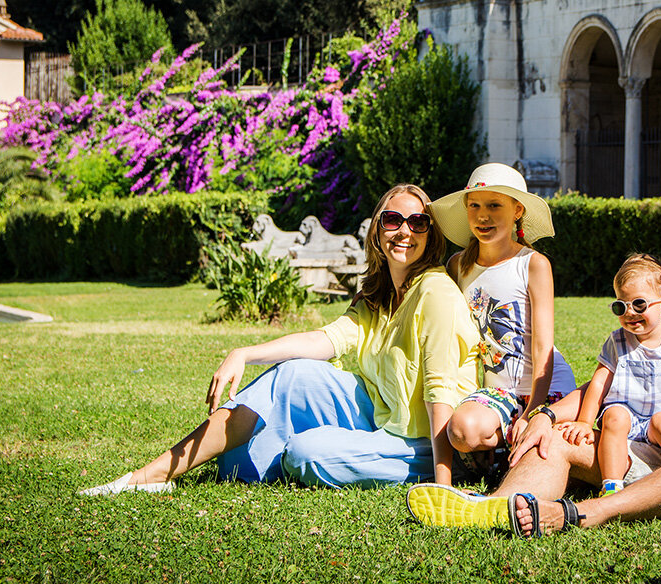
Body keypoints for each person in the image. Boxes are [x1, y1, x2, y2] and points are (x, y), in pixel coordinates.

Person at [405, 169, 661, 536]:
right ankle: (496, 506)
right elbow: (621, 376)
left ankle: (584, 513)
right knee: (555, 439)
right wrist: (549, 416)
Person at [79, 183, 480, 495]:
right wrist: (244, 352)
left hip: (429, 439)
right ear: (378, 229)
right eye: (393, 220)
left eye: (418, 222)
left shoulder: (436, 292)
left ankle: (368, 457)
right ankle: (152, 475)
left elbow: (439, 389)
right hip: (382, 411)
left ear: (431, 233)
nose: (405, 231)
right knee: (254, 438)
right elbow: (324, 340)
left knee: (305, 455)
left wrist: (444, 482)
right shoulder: (377, 299)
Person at [430, 163, 577, 479]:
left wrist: (535, 411)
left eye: (495, 205)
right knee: (462, 431)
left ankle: (510, 452)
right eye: (475, 206)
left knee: (546, 448)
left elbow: (542, 345)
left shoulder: (533, 264)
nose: (483, 215)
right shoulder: (458, 265)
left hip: (544, 387)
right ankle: (510, 450)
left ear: (517, 210)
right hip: (498, 392)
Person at [557, 253, 661, 496]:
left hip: (659, 421)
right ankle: (611, 485)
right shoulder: (617, 340)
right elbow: (599, 382)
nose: (630, 313)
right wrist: (583, 422)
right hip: (626, 417)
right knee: (614, 415)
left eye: (639, 304)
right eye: (621, 306)